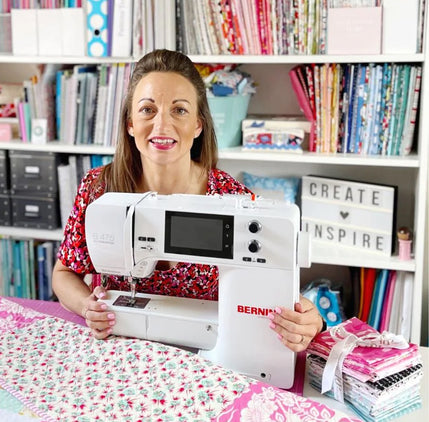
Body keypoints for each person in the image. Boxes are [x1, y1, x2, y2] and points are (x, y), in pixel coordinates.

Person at [52, 49, 324, 352]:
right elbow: (65, 273)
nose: (162, 126)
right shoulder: (98, 189)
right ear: (130, 123)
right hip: (122, 345)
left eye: (179, 110)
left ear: (198, 124)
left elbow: (271, 281)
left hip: (204, 354)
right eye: (147, 110)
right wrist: (86, 306)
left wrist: (308, 319)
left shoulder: (230, 198)